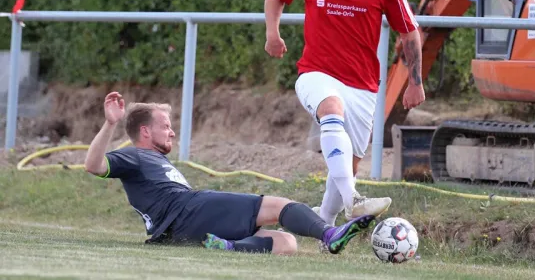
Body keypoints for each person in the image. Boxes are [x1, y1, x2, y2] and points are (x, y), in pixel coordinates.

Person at [264, 0, 425, 233]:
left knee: (348, 164)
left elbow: (409, 33)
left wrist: (415, 83)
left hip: (363, 86)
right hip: (316, 73)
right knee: (330, 109)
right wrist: (272, 33)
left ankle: (325, 224)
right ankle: (353, 198)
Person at [84, 91, 376, 256]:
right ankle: (330, 233)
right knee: (278, 205)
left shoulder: (154, 160)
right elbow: (94, 166)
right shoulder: (135, 155)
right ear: (145, 131)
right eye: (165, 126)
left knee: (286, 244)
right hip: (187, 210)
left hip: (180, 228)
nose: (172, 131)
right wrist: (110, 125)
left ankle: (227, 247)